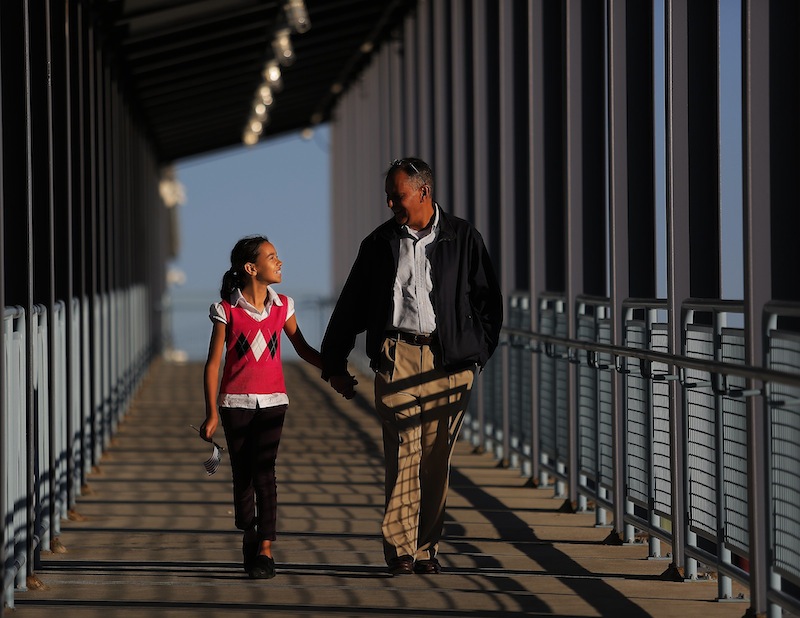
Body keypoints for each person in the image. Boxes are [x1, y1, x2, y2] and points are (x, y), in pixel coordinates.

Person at [320, 157, 503, 576]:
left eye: (397, 195)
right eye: (387, 195)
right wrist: (334, 362)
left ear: (424, 192)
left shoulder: (463, 237)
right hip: (397, 355)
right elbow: (351, 305)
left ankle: (426, 548)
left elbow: (488, 302)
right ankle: (401, 549)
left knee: (437, 457)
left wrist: (477, 355)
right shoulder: (379, 243)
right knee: (405, 450)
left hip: (451, 360)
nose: (389, 203)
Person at [199, 235, 325, 579]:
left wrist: (334, 372)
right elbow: (213, 364)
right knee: (243, 473)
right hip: (234, 403)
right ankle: (249, 530)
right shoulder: (226, 310)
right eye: (272, 257)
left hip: (273, 402)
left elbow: (302, 347)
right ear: (251, 268)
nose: (280, 262)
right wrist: (211, 412)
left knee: (265, 472)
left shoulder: (284, 306)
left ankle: (266, 549)